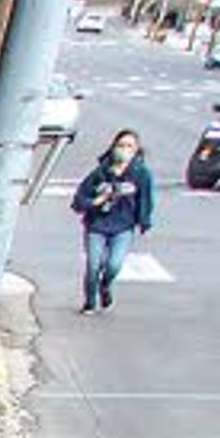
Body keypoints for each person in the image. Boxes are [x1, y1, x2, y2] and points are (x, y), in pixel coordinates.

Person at [73, 129, 154, 314]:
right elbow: (79, 199)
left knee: (114, 264)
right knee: (93, 264)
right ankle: (90, 302)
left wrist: (144, 223)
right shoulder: (100, 172)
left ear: (136, 150)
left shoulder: (141, 173)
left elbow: (145, 200)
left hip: (123, 227)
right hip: (96, 225)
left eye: (129, 146)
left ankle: (105, 285)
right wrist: (96, 201)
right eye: (121, 145)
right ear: (113, 147)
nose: (124, 149)